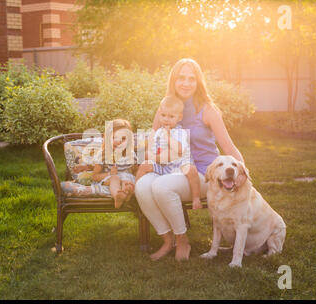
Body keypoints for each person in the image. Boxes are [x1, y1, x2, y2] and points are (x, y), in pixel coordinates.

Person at [134, 58, 244, 262]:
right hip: (168, 169)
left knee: (161, 187)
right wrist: (150, 160)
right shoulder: (165, 108)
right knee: (141, 187)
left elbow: (228, 147)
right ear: (173, 81)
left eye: (191, 79)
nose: (186, 83)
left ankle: (182, 240)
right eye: (181, 78)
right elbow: (152, 140)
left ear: (198, 82)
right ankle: (168, 240)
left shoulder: (208, 110)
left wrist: (245, 174)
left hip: (202, 173)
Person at [135, 95, 202, 211]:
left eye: (171, 116)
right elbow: (155, 148)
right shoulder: (158, 132)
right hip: (163, 166)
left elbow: (180, 149)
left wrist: (168, 136)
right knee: (144, 165)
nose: (166, 119)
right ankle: (135, 192)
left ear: (179, 117)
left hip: (179, 166)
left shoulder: (180, 132)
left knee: (192, 170)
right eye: (163, 115)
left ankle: (196, 197)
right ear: (159, 114)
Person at [92, 119, 138, 208]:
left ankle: (126, 193)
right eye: (114, 137)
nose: (119, 141)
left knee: (127, 182)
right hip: (110, 179)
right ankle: (117, 196)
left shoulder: (131, 155)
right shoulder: (103, 154)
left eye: (123, 138)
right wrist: (110, 173)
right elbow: (95, 176)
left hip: (126, 179)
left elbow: (135, 171)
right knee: (115, 178)